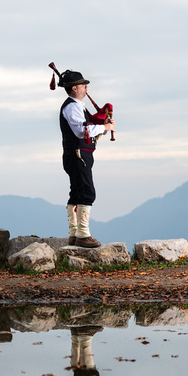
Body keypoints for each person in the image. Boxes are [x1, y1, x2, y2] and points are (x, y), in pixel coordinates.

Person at [56, 69, 115, 248]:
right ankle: (83, 235)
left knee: (76, 192)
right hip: (78, 153)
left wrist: (102, 126)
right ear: (74, 88)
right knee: (86, 192)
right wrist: (105, 127)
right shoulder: (72, 107)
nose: (86, 87)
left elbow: (87, 128)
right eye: (83, 85)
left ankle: (74, 234)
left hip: (78, 154)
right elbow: (82, 131)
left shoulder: (78, 105)